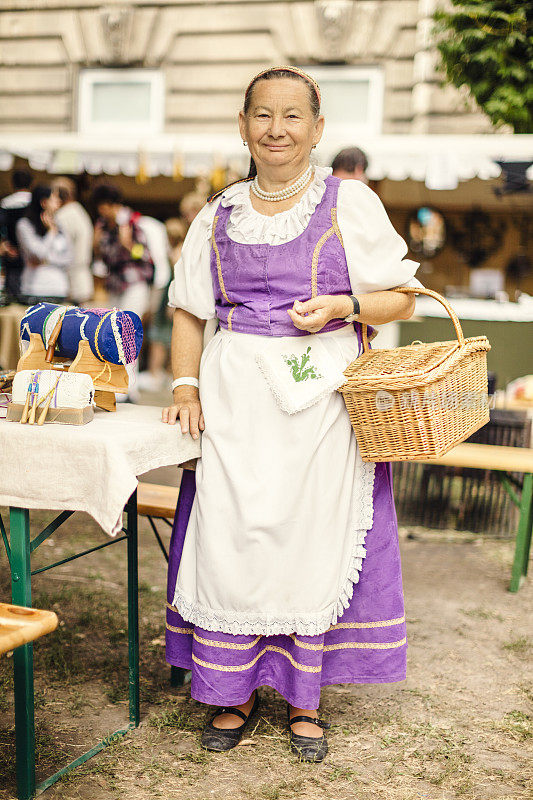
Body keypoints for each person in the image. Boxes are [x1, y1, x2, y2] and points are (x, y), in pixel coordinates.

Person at [162, 66, 421, 763]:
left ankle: (305, 697)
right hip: (236, 398)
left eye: (292, 116)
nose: (276, 130)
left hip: (319, 404)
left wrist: (345, 306)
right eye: (262, 116)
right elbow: (189, 308)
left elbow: (404, 299)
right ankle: (233, 689)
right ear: (242, 125)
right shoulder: (215, 214)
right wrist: (186, 386)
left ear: (317, 128)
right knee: (232, 537)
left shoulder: (350, 203)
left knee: (310, 538)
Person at [91, 183, 170, 319]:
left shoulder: (132, 223)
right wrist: (95, 242)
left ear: (114, 205)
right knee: (114, 325)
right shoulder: (102, 226)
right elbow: (101, 257)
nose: (102, 211)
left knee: (129, 324)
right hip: (114, 284)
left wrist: (127, 243)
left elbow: (144, 254)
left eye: (104, 207)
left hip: (134, 282)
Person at [138, 217, 188, 392]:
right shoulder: (177, 250)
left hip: (170, 297)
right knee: (164, 335)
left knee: (162, 336)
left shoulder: (177, 252)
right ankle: (163, 375)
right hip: (168, 294)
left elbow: (179, 279)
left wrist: (172, 303)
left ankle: (156, 374)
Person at [15, 184, 71, 303]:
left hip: (59, 288)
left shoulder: (59, 224)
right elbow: (38, 254)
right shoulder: (25, 225)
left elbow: (69, 257)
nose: (59, 201)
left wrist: (47, 260)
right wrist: (50, 233)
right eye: (54, 198)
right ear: (44, 202)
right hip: (35, 289)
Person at [51, 177, 94, 304]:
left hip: (71, 280)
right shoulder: (79, 211)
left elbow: (59, 247)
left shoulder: (64, 215)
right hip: (82, 278)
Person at [0, 169, 33, 299]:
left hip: (11, 251)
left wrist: (5, 245)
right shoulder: (33, 203)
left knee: (12, 290)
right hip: (30, 253)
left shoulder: (5, 203)